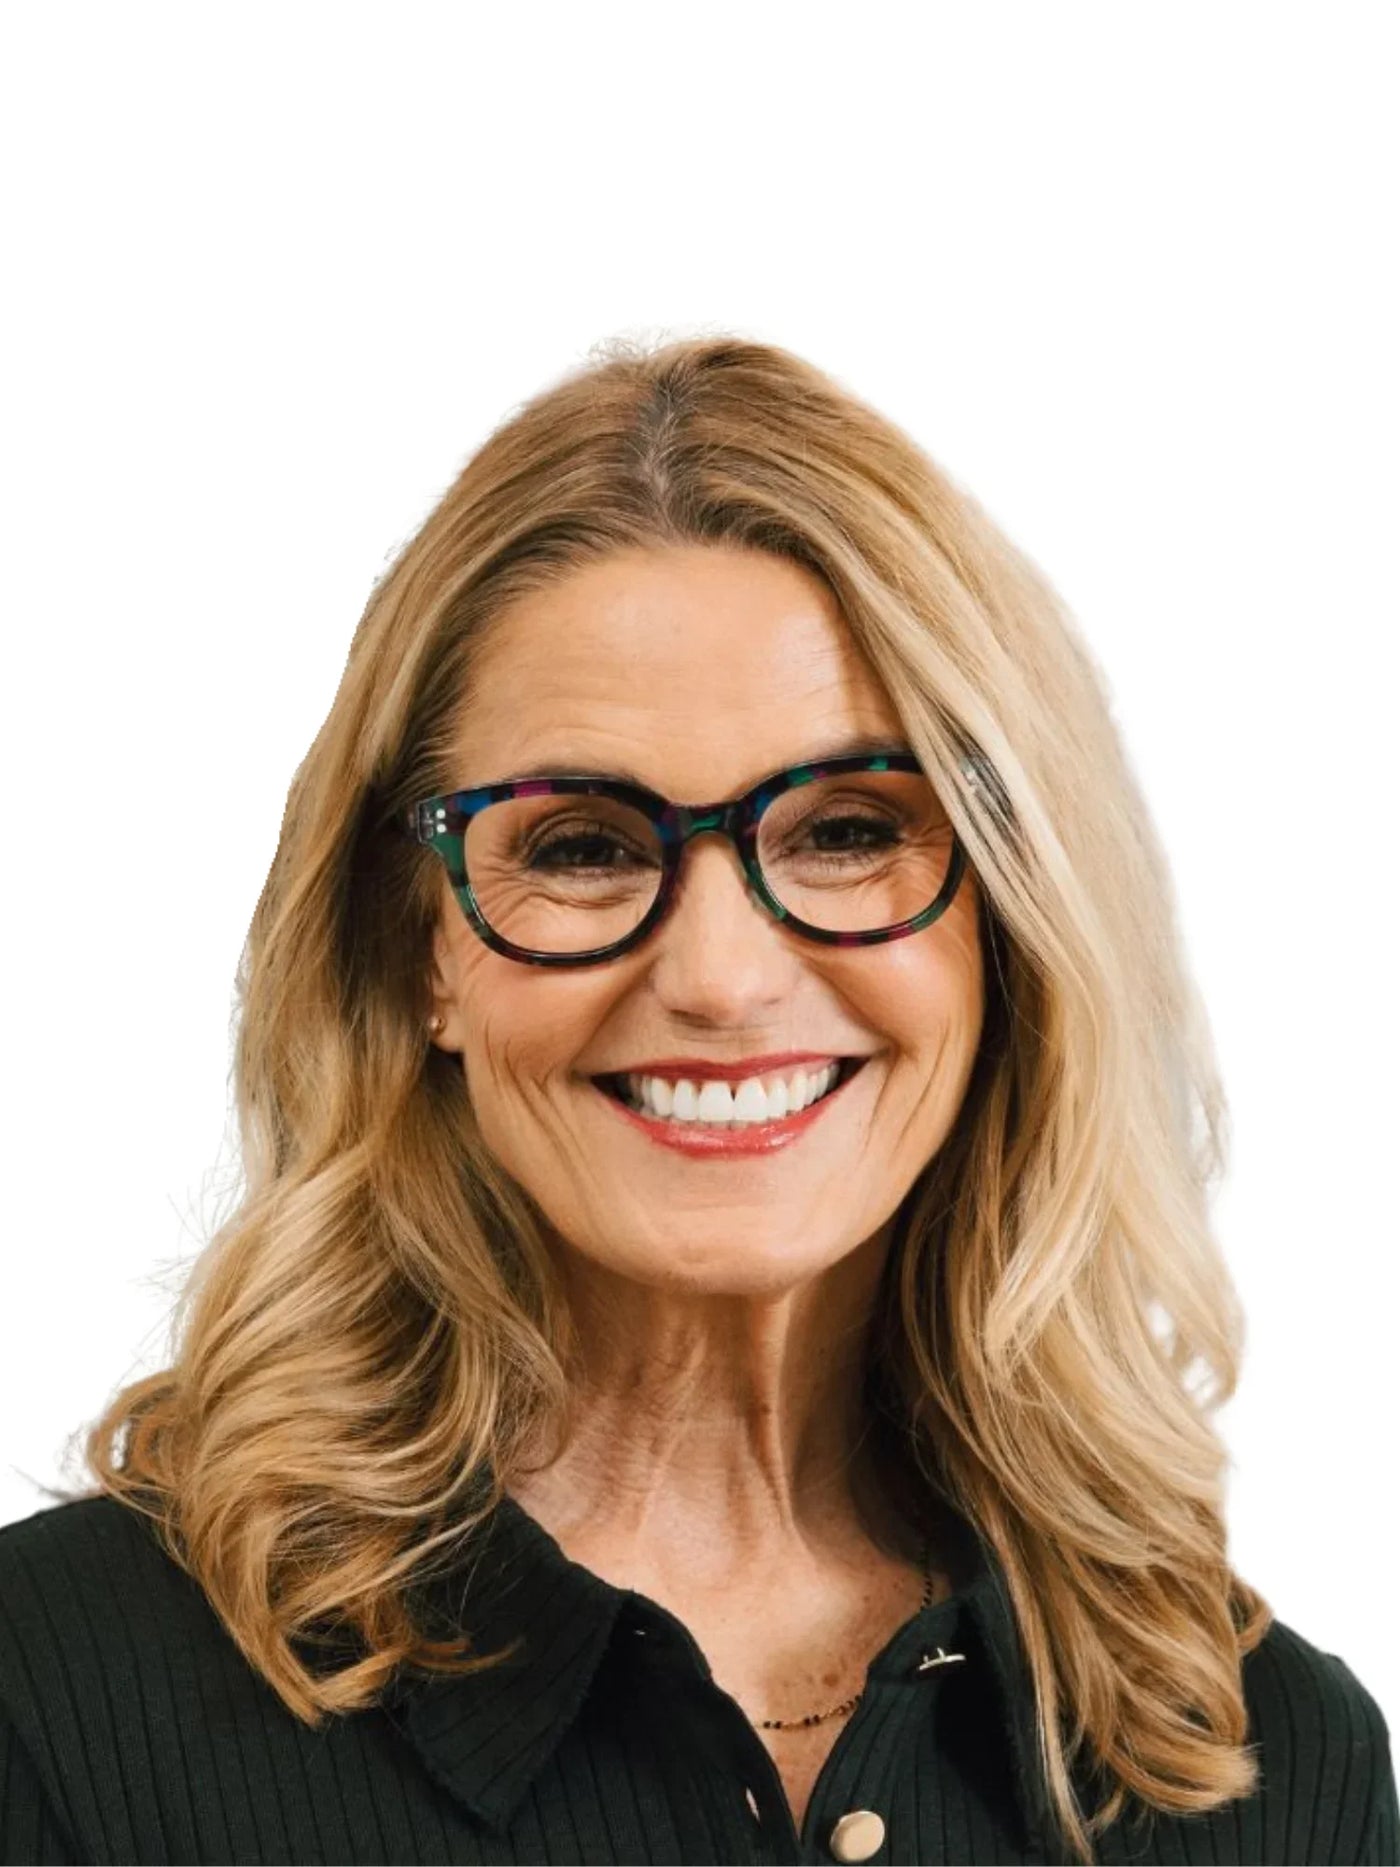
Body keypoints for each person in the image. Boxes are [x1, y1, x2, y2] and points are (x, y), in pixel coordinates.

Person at [1, 335, 1394, 1867]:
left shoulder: (1265, 1760)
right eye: (585, 845)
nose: (724, 977)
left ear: (1012, 927)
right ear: (420, 955)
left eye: (851, 827)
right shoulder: (49, 1697)